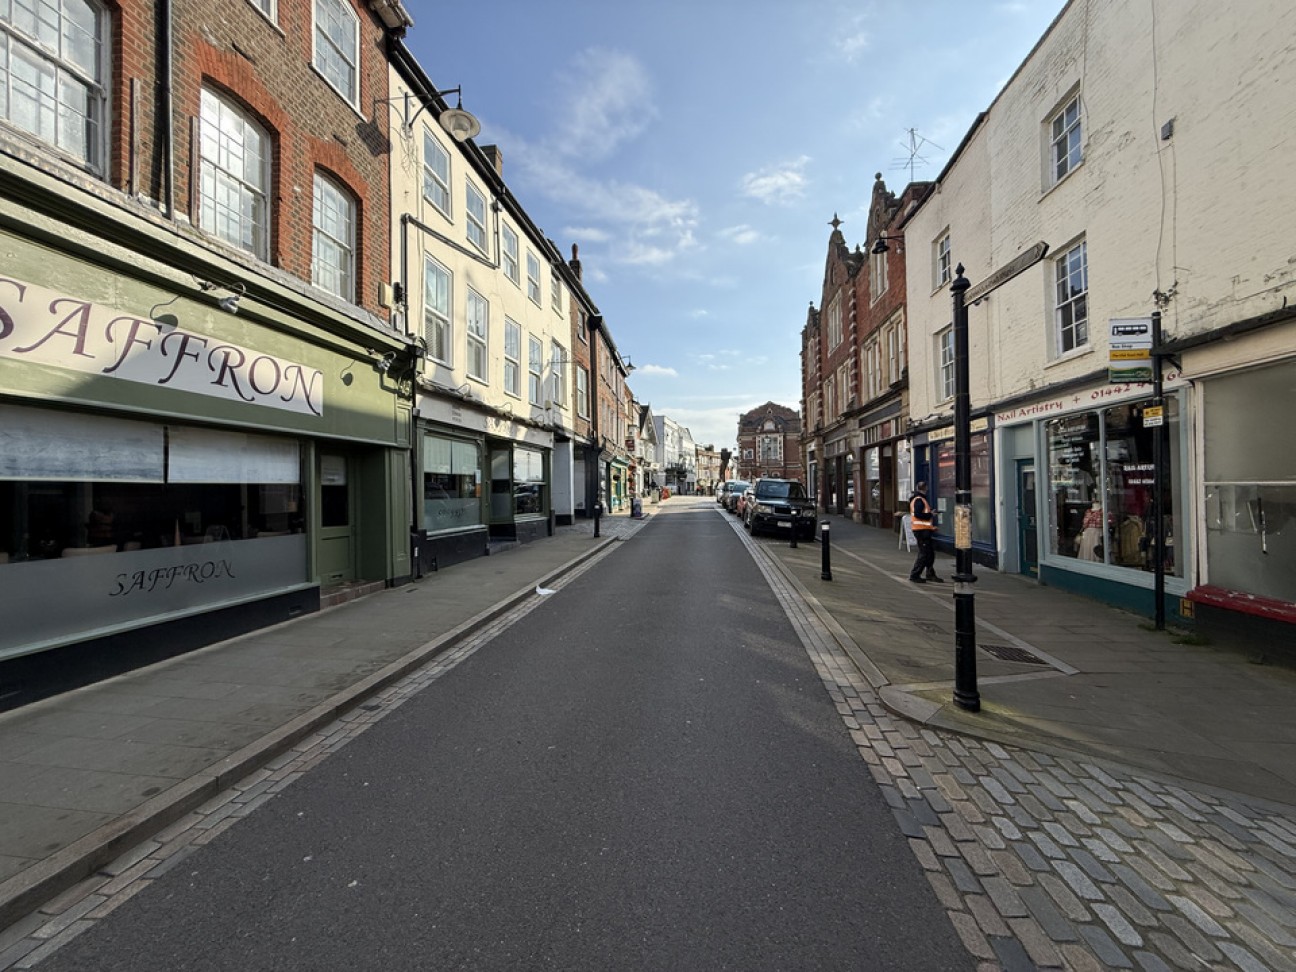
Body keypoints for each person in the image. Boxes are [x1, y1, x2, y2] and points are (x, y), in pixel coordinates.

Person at [908, 482, 943, 583]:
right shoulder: (919, 500)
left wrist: (931, 527)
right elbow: (918, 514)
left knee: (929, 553)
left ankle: (930, 574)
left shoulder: (919, 499)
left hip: (923, 530)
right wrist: (930, 514)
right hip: (921, 531)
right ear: (925, 488)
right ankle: (914, 575)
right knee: (924, 554)